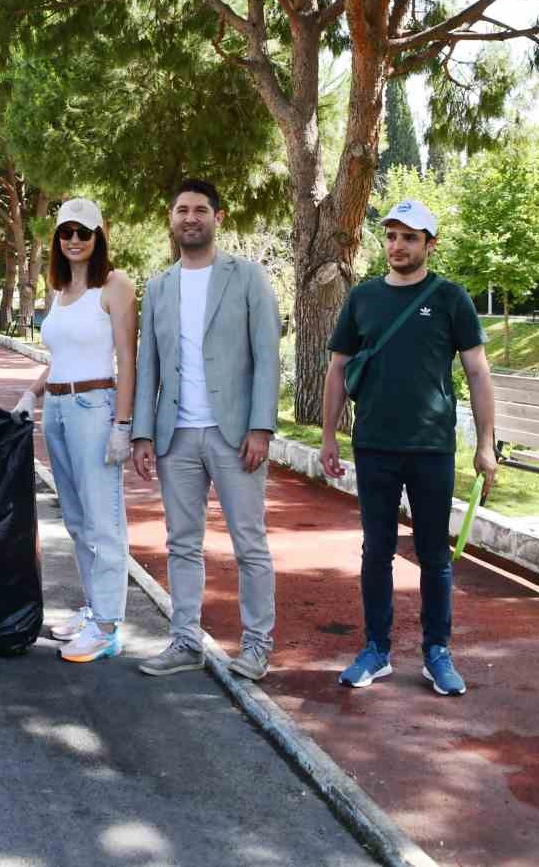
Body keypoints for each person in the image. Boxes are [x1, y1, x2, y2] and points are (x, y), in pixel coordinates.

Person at [322, 198, 497, 697]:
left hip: (431, 448)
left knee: (433, 555)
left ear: (429, 244)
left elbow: (478, 372)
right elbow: (337, 369)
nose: (397, 246)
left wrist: (486, 445)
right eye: (392, 236)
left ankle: (436, 652)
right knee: (376, 550)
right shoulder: (362, 298)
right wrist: (331, 436)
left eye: (409, 237)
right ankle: (376, 649)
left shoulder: (450, 299)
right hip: (373, 445)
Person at [130, 179, 281, 680]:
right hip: (176, 437)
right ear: (171, 219)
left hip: (234, 434)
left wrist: (261, 426)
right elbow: (146, 364)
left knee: (249, 542)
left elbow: (267, 358)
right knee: (182, 543)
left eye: (199, 210)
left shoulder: (248, 278)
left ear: (219, 217)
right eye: (180, 210)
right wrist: (143, 434)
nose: (190, 218)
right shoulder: (158, 287)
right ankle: (184, 640)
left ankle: (257, 645)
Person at [11, 198, 136, 663]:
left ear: (99, 236)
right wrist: (32, 393)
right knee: (78, 519)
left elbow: (127, 359)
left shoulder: (115, 285)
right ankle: (93, 609)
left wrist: (122, 424)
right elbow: (59, 359)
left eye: (84, 232)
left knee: (104, 518)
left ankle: (107, 626)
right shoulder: (60, 293)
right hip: (58, 409)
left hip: (94, 405)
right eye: (67, 232)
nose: (75, 240)